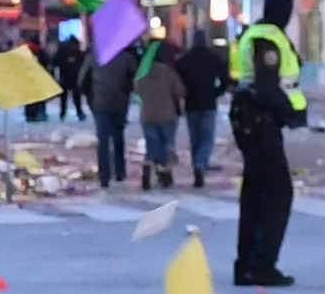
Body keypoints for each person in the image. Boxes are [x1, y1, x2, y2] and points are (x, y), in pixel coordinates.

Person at [227, 0, 308, 286]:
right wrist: (290, 111)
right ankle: (261, 264)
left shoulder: (259, 34)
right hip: (259, 120)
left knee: (256, 193)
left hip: (253, 119)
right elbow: (267, 85)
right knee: (278, 193)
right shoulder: (267, 38)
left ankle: (247, 264)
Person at [131, 31, 191, 189]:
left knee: (152, 145)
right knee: (166, 146)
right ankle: (165, 176)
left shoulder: (142, 73)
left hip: (147, 115)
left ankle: (147, 168)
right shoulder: (168, 72)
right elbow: (180, 91)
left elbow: (137, 91)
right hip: (167, 114)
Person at [86, 17, 141, 187]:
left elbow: (83, 79)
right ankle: (120, 171)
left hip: (100, 102)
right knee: (118, 136)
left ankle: (104, 175)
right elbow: (135, 76)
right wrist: (126, 91)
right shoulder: (125, 57)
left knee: (103, 140)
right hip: (120, 102)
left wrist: (91, 98)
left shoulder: (94, 56)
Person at [178, 23, 230, 188]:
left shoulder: (185, 59)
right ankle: (201, 164)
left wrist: (183, 94)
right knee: (207, 138)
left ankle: (197, 166)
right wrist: (216, 92)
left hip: (191, 103)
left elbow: (177, 81)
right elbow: (225, 79)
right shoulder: (212, 57)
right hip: (208, 103)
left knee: (195, 138)